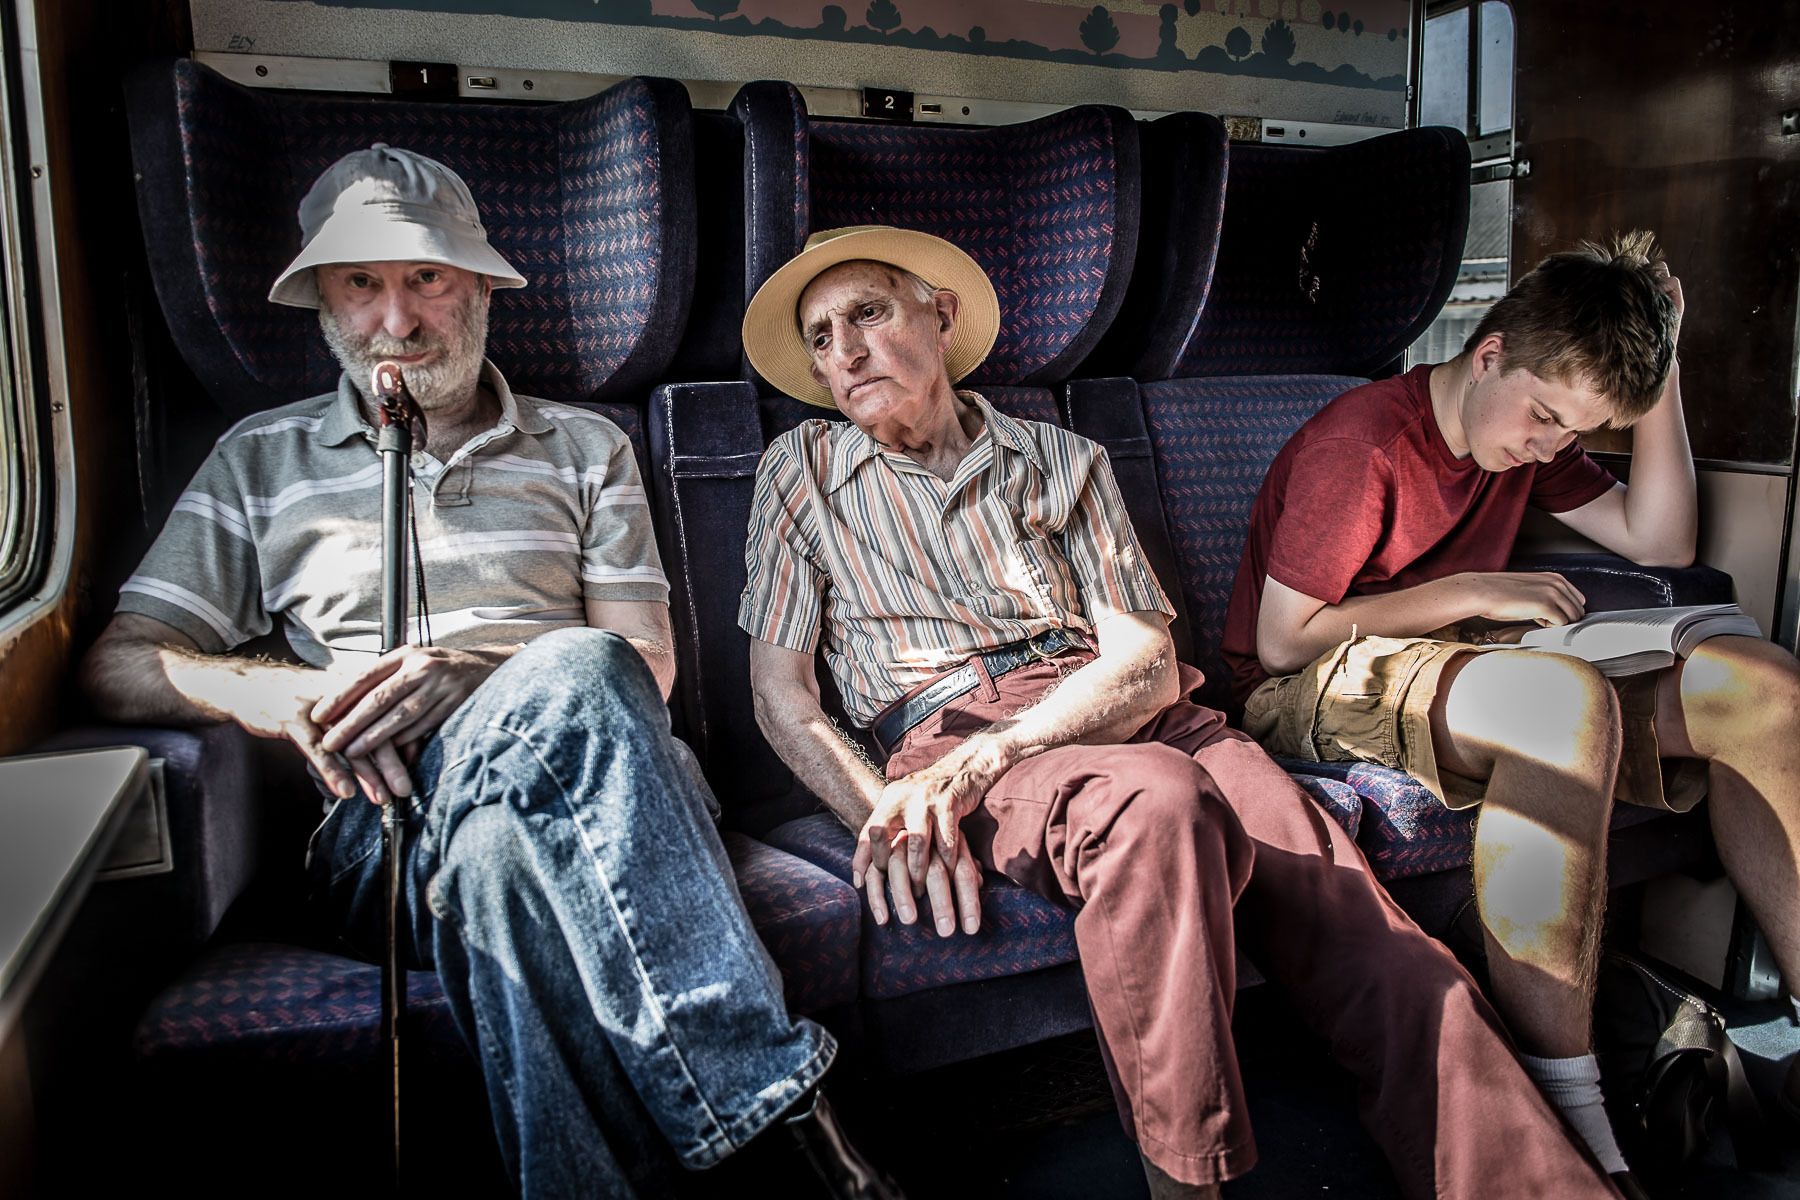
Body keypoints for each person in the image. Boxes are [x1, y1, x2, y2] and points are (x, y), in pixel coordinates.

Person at [737, 223, 1622, 1199]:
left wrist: (1015, 747)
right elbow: (782, 695)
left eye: (866, 312)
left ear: (941, 316)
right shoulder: (802, 473)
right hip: (957, 726)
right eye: (820, 336)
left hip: (1121, 711)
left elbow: (1147, 661)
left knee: (1364, 930)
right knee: (1155, 802)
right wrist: (883, 816)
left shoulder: (1061, 459)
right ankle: (1187, 1186)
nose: (843, 351)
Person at [80, 145, 897, 1200]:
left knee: (507, 851)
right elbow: (118, 663)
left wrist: (476, 675)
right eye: (360, 284)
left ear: (479, 289)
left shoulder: (584, 446)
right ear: (325, 303)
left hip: (614, 776)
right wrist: (276, 694)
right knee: (496, 811)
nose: (398, 320)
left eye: (427, 278)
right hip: (384, 830)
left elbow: (640, 669)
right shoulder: (259, 459)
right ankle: (787, 1126)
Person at [1223, 231, 1800, 1185]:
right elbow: (1287, 639)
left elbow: (1657, 539)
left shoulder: (1524, 444)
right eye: (1542, 417)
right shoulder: (1362, 441)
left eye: (1573, 434)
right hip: (1310, 682)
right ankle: (1568, 1112)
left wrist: (1666, 357)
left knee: (1762, 689)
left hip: (1459, 665)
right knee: (1560, 705)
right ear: (1488, 352)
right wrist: (1476, 590)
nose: (1549, 447)